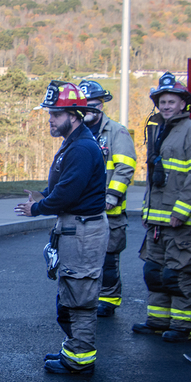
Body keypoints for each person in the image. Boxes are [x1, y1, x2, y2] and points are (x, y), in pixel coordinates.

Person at [15, 82, 107, 375]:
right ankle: (74, 352)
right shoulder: (75, 143)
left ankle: (79, 361)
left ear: (75, 115)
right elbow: (63, 185)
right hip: (74, 228)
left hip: (82, 231)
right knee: (71, 290)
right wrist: (44, 195)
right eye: (50, 113)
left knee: (79, 296)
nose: (51, 119)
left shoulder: (81, 147)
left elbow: (68, 192)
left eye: (56, 114)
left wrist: (38, 208)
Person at [132, 73, 191, 343]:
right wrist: (147, 211)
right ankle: (157, 321)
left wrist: (181, 211)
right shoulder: (159, 131)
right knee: (155, 273)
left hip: (182, 223)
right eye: (162, 101)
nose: (165, 106)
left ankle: (184, 327)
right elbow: (154, 180)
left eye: (171, 101)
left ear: (183, 104)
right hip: (157, 222)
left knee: (179, 275)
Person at [78, 80, 137, 318]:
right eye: (84, 106)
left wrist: (112, 196)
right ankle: (88, 298)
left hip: (108, 212)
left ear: (102, 105)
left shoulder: (116, 132)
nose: (89, 111)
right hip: (82, 210)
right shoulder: (77, 131)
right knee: (84, 260)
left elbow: (125, 167)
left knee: (108, 261)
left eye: (93, 105)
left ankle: (108, 300)